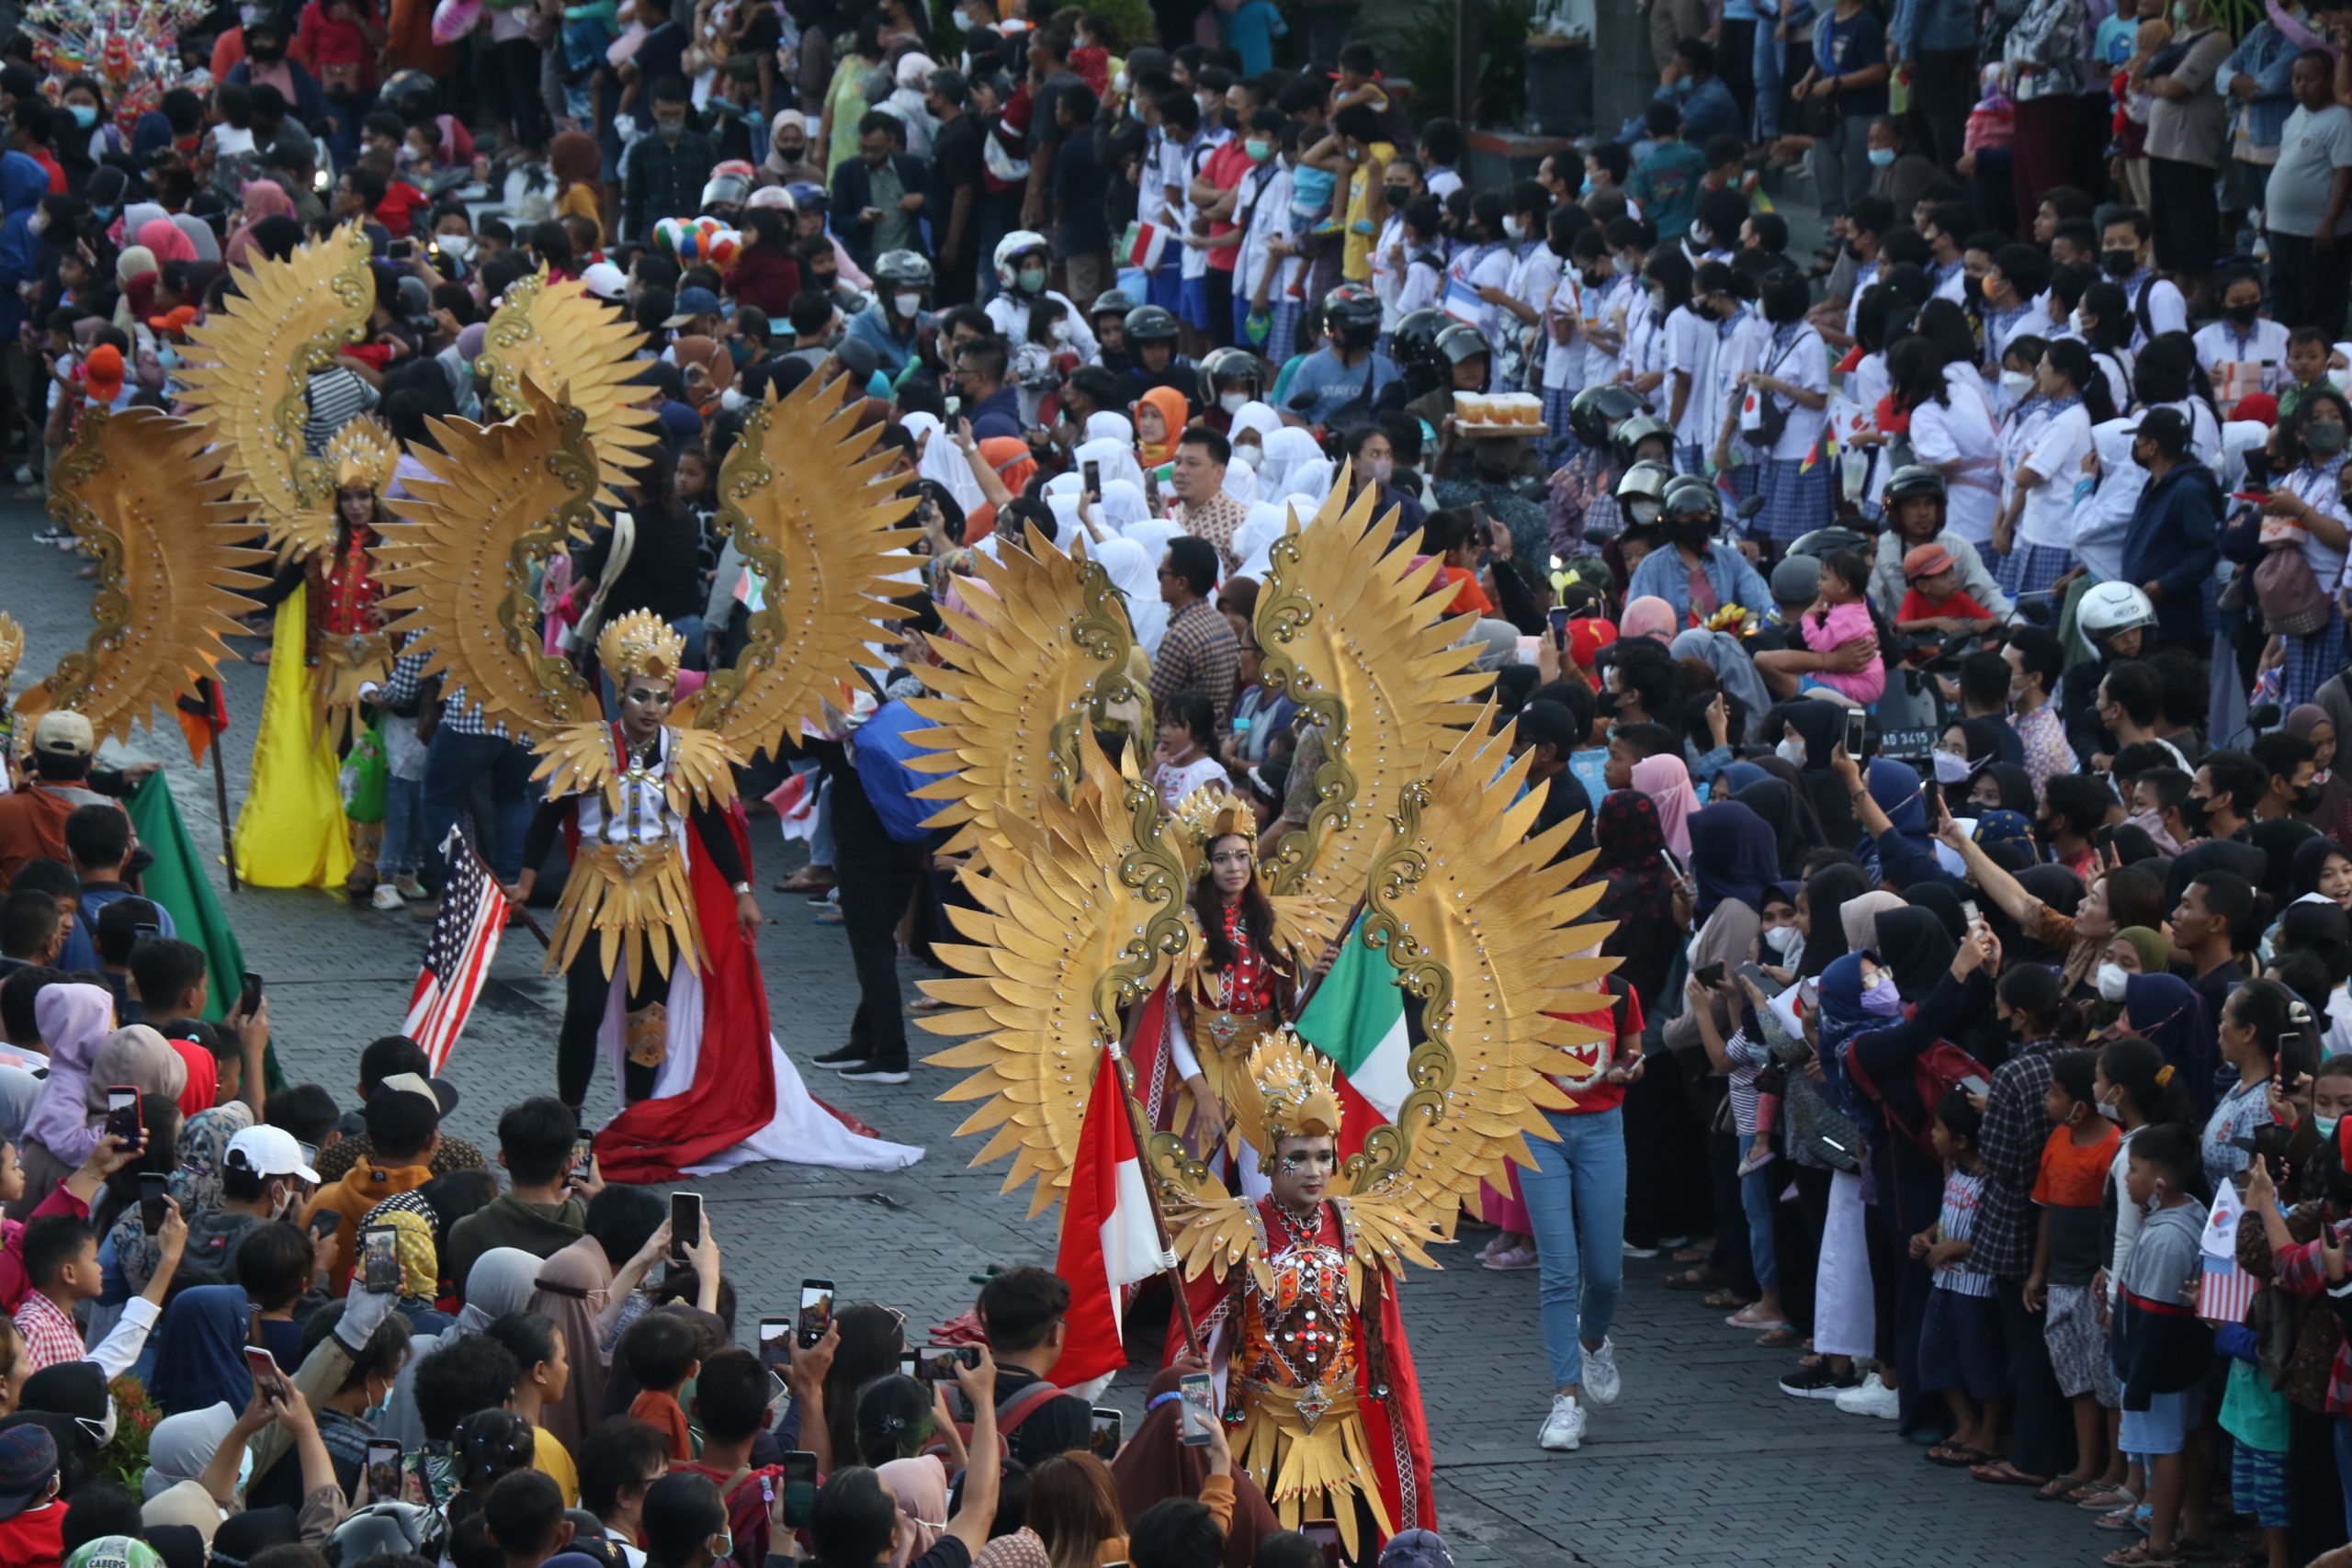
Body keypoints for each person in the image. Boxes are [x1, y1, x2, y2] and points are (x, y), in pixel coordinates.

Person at [1168, 1036, 1434, 1556]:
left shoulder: (1359, 1228)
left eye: (1323, 1157)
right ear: (1269, 1158)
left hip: (1345, 1436)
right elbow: (1194, 1343)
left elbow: (1387, 1349)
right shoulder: (1235, 1231)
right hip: (1260, 1436)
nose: (1314, 1171)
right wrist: (1200, 1436)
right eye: (1298, 1158)